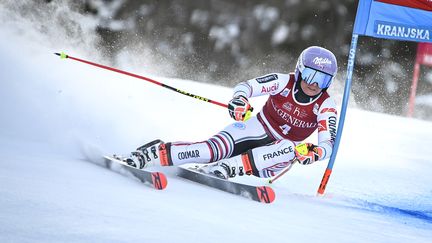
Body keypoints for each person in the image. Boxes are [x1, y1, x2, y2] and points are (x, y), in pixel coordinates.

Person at [122, 46, 338, 179]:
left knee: (290, 147)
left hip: (272, 160)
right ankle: (149, 154)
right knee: (209, 150)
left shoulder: (326, 105)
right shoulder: (283, 82)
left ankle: (229, 167)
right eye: (310, 75)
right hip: (257, 128)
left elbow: (328, 144)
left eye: (322, 79)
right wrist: (240, 100)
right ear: (300, 70)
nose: (313, 83)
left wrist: (315, 153)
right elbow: (246, 86)